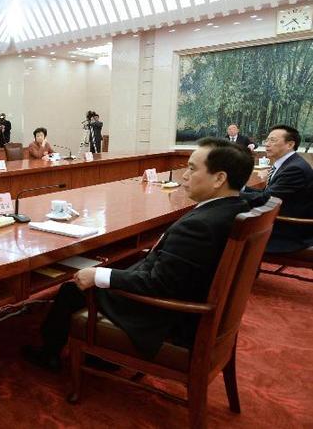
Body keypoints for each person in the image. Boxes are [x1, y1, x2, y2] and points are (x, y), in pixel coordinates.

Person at [22, 138, 253, 371]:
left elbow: (159, 284)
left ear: (219, 178)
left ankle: (51, 354)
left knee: (72, 289)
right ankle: (100, 356)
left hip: (167, 316)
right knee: (118, 265)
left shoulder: (201, 226)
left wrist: (99, 275)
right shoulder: (236, 208)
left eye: (192, 169)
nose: (184, 175)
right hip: (185, 295)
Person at [241, 125, 313, 253]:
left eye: (272, 140)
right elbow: (267, 194)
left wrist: (230, 192)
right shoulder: (289, 163)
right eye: (266, 140)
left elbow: (266, 199)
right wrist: (241, 189)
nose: (267, 144)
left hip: (289, 231)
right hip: (280, 219)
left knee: (227, 229)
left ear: (290, 144)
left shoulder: (294, 169)